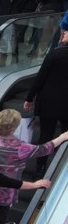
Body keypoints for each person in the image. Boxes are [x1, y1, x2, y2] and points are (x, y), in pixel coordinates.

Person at [0, 109, 68, 224]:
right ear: (14, 127)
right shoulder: (19, 147)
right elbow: (43, 149)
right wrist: (62, 137)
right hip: (3, 196)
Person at [25, 29, 68, 174]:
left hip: (49, 101)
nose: (64, 33)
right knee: (66, 134)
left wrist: (29, 98)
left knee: (45, 134)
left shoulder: (55, 54)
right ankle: (63, 166)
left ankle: (40, 167)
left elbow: (40, 78)